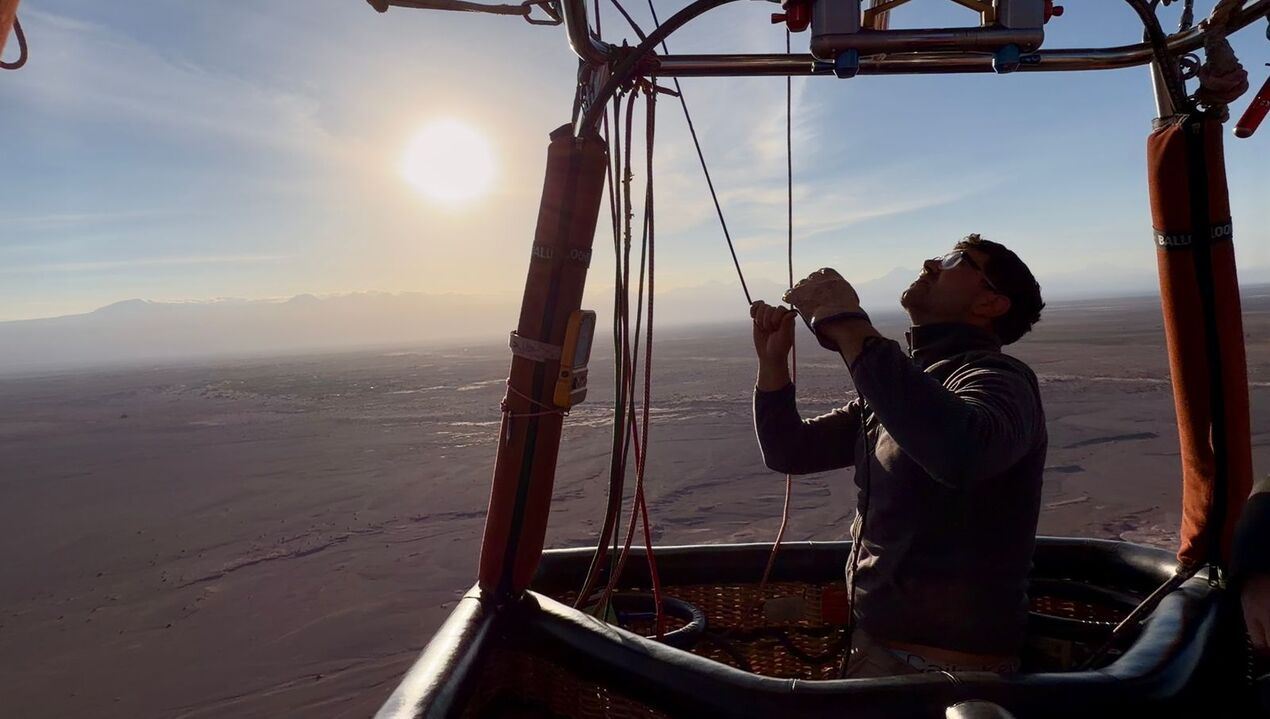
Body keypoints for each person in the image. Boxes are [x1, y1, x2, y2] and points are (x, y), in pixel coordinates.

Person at [751, 234, 1046, 677]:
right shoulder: (906, 388)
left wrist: (849, 325)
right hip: (879, 652)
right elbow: (789, 450)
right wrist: (772, 363)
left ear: (991, 303)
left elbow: (963, 452)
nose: (931, 263)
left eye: (956, 260)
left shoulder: (999, 379)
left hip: (943, 674)